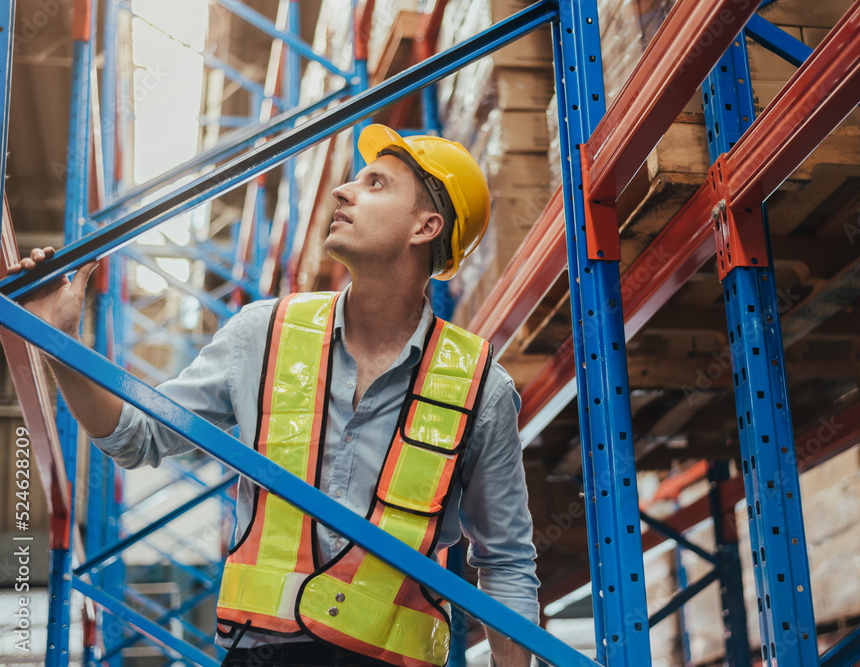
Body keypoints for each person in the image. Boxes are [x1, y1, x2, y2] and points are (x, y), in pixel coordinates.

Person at [9, 125, 538, 667]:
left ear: (426, 226)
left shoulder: (481, 389)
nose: (343, 191)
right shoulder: (262, 335)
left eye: (376, 184)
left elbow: (506, 561)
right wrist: (60, 343)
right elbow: (136, 438)